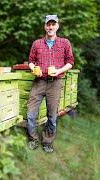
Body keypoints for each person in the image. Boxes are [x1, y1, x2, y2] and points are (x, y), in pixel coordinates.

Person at [27, 15, 74, 153]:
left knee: (52, 116)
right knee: (30, 114)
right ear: (45, 26)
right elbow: (30, 60)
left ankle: (47, 141)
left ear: (57, 26)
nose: (50, 27)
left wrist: (59, 70)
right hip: (39, 82)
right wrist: (33, 69)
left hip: (55, 83)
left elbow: (70, 62)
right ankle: (33, 139)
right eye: (48, 24)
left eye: (53, 24)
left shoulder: (65, 43)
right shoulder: (37, 44)